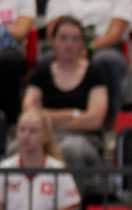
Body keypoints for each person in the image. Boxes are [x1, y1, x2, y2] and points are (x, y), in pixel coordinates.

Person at [21, 15, 107, 172]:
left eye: (75, 39)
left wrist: (47, 118)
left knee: (70, 149)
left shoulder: (95, 72)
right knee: (17, 147)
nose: (69, 44)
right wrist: (75, 114)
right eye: (63, 38)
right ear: (53, 41)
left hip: (85, 138)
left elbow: (95, 119)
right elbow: (29, 111)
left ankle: (71, 197)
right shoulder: (41, 71)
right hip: (44, 136)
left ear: (83, 43)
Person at [41, 0, 132, 124]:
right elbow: (53, 30)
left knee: (107, 61)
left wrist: (85, 49)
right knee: (45, 60)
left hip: (105, 46)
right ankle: (45, 120)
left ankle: (109, 122)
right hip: (66, 46)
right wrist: (72, 46)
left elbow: (114, 34)